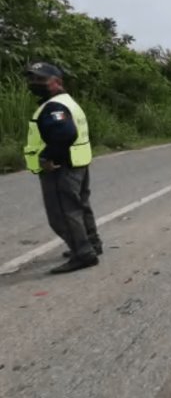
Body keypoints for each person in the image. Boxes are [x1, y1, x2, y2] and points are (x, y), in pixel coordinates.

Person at [24, 62, 102, 274]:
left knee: (63, 213)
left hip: (61, 167)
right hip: (77, 163)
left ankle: (83, 253)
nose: (34, 83)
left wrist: (48, 157)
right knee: (80, 206)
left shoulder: (54, 106)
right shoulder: (66, 102)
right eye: (32, 79)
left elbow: (65, 133)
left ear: (57, 82)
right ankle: (92, 244)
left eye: (41, 79)